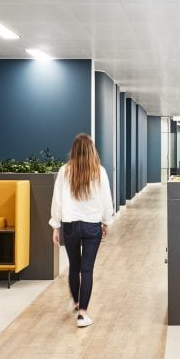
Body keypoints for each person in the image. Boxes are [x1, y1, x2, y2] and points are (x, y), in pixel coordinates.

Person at [50, 133, 114, 328]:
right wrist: (106, 222)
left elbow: (57, 200)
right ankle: (82, 314)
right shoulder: (99, 171)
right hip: (91, 225)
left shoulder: (65, 171)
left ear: (74, 151)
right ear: (91, 150)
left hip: (70, 225)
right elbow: (106, 199)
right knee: (87, 270)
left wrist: (55, 225)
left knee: (74, 266)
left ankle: (76, 302)